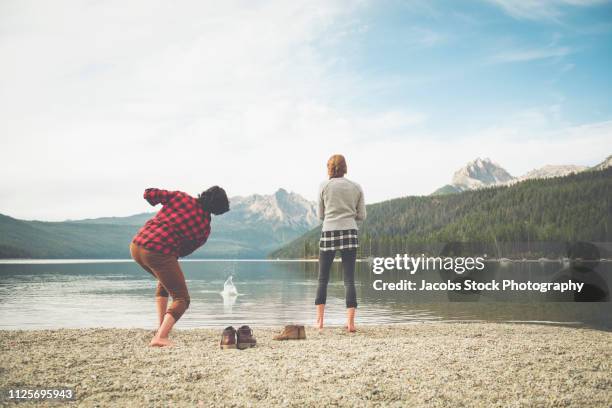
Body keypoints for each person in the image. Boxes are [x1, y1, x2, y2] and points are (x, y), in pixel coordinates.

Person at [130, 186, 229, 347]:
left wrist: (155, 202)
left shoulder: (180, 197)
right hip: (158, 253)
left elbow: (149, 193)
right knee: (182, 298)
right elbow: (184, 251)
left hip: (136, 245)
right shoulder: (204, 227)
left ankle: (161, 327)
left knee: (164, 283)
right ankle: (160, 337)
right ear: (218, 210)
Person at [315, 154, 366, 332]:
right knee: (349, 279)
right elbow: (362, 215)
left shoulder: (324, 186)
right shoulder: (356, 187)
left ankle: (320, 322)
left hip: (328, 231)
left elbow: (320, 216)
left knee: (323, 279)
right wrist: (348, 216)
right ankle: (351, 324)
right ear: (345, 167)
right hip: (350, 232)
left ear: (329, 168)